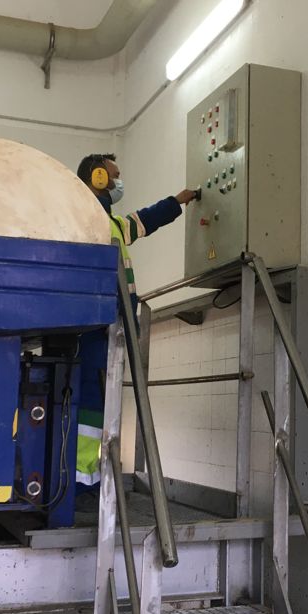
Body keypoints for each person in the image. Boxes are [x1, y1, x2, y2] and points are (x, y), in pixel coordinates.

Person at [73, 153, 196, 489]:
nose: (119, 181)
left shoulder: (111, 223)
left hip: (110, 324)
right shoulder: (86, 218)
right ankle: (83, 481)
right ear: (98, 177)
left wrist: (177, 202)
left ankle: (90, 477)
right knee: (91, 402)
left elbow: (144, 220)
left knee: (101, 402)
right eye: (115, 175)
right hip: (95, 325)